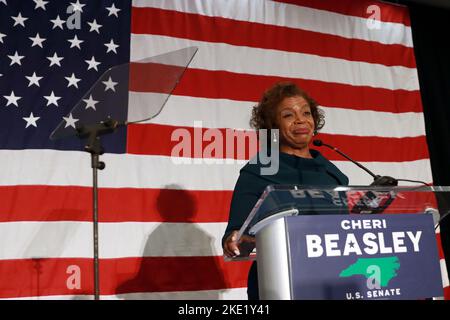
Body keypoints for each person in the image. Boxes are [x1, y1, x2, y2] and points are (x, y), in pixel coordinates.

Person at [222, 81, 349, 300]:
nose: (301, 120)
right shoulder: (260, 170)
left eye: (306, 113)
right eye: (288, 115)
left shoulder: (332, 174)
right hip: (280, 281)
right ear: (273, 126)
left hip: (333, 281)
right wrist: (236, 240)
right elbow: (235, 236)